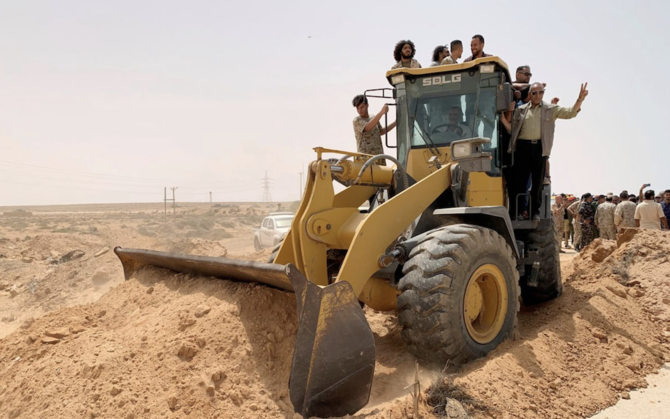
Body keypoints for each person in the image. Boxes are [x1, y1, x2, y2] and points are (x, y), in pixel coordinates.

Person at [503, 82, 589, 220]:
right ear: (530, 94)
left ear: (544, 93)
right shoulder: (521, 110)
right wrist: (506, 114)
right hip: (522, 148)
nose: (538, 95)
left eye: (541, 92)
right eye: (534, 93)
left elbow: (571, 113)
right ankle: (516, 212)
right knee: (518, 182)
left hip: (540, 148)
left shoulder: (551, 109)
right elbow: (511, 128)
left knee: (537, 183)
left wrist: (580, 99)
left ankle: (534, 212)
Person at [351, 95, 397, 165]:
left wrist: (396, 123)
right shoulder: (357, 120)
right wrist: (381, 112)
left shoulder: (373, 117)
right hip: (365, 160)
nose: (360, 110)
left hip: (378, 158)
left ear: (367, 105)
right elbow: (368, 127)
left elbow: (381, 131)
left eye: (362, 107)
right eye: (358, 108)